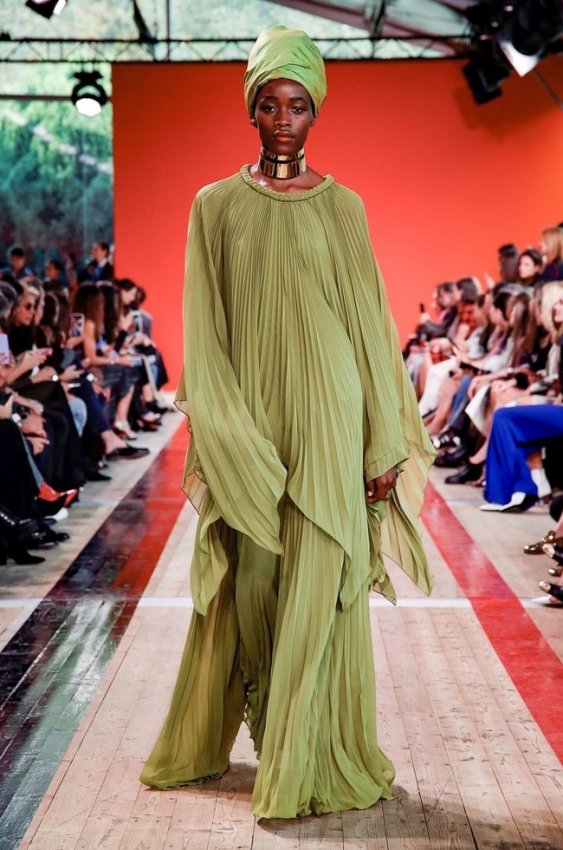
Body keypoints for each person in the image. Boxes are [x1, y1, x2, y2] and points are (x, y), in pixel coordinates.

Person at [140, 26, 434, 820]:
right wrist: (220, 426)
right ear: (250, 109)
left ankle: (304, 753)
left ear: (316, 112)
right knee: (253, 580)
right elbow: (205, 328)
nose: (281, 120)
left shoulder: (344, 207)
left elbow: (369, 328)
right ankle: (274, 732)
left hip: (330, 413)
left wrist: (382, 439)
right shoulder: (214, 205)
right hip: (249, 418)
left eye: (297, 105)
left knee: (319, 582)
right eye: (268, 104)